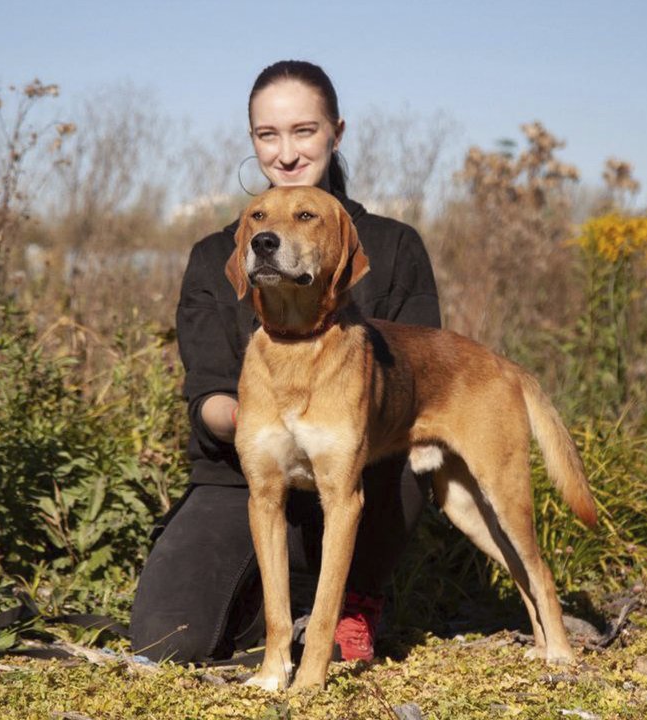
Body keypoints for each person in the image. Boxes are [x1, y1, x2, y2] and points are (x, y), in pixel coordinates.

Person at [129, 60, 441, 664]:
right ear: (252, 141)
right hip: (243, 475)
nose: (287, 152)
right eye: (267, 135)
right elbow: (208, 399)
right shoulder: (220, 253)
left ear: (336, 132)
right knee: (169, 639)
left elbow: (418, 370)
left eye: (304, 130)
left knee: (402, 454)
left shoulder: (395, 245)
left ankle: (356, 598)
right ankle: (270, 602)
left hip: (364, 477)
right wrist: (260, 423)